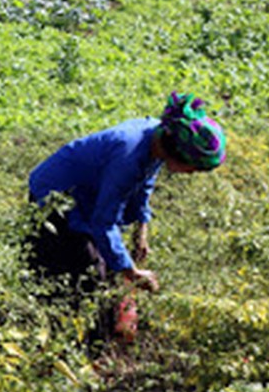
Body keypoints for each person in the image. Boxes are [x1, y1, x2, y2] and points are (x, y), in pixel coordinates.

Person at [25, 91, 226, 313]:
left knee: (108, 263)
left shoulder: (157, 138)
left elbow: (145, 183)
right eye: (194, 167)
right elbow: (104, 222)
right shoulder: (128, 156)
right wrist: (132, 272)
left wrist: (141, 230)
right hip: (54, 196)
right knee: (87, 273)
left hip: (88, 192)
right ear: (177, 151)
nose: (192, 173)